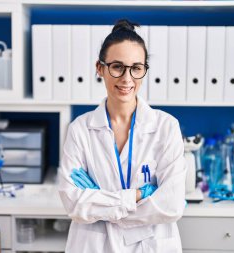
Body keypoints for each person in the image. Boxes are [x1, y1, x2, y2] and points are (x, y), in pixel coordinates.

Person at [58, 19, 186, 253]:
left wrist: (99, 203)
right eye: (117, 66)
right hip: (95, 246)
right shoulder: (80, 129)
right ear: (100, 68)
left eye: (136, 68)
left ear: (144, 70)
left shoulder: (166, 127)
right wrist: (137, 196)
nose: (127, 79)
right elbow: (73, 203)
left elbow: (171, 205)